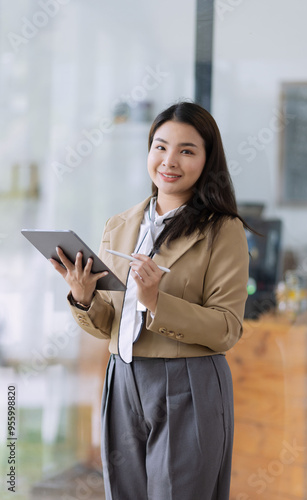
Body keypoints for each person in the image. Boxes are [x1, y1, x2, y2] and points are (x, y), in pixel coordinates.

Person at [50, 101, 250, 500]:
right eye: (160, 146)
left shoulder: (223, 230)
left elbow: (227, 328)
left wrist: (157, 300)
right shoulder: (120, 225)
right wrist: (84, 297)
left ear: (208, 161)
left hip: (187, 383)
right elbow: (109, 322)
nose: (169, 160)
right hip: (122, 379)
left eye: (187, 150)